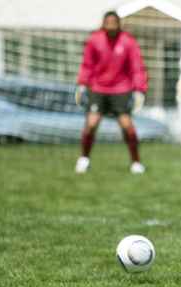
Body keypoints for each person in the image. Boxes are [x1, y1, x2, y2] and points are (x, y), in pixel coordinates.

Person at [74, 11, 148, 174]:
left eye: (114, 22)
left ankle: (135, 162)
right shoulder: (95, 40)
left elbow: (137, 67)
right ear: (103, 23)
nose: (111, 25)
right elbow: (87, 64)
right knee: (91, 123)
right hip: (98, 89)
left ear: (118, 24)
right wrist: (81, 84)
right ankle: (84, 159)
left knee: (127, 126)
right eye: (108, 22)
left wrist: (140, 90)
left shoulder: (128, 42)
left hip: (121, 90)